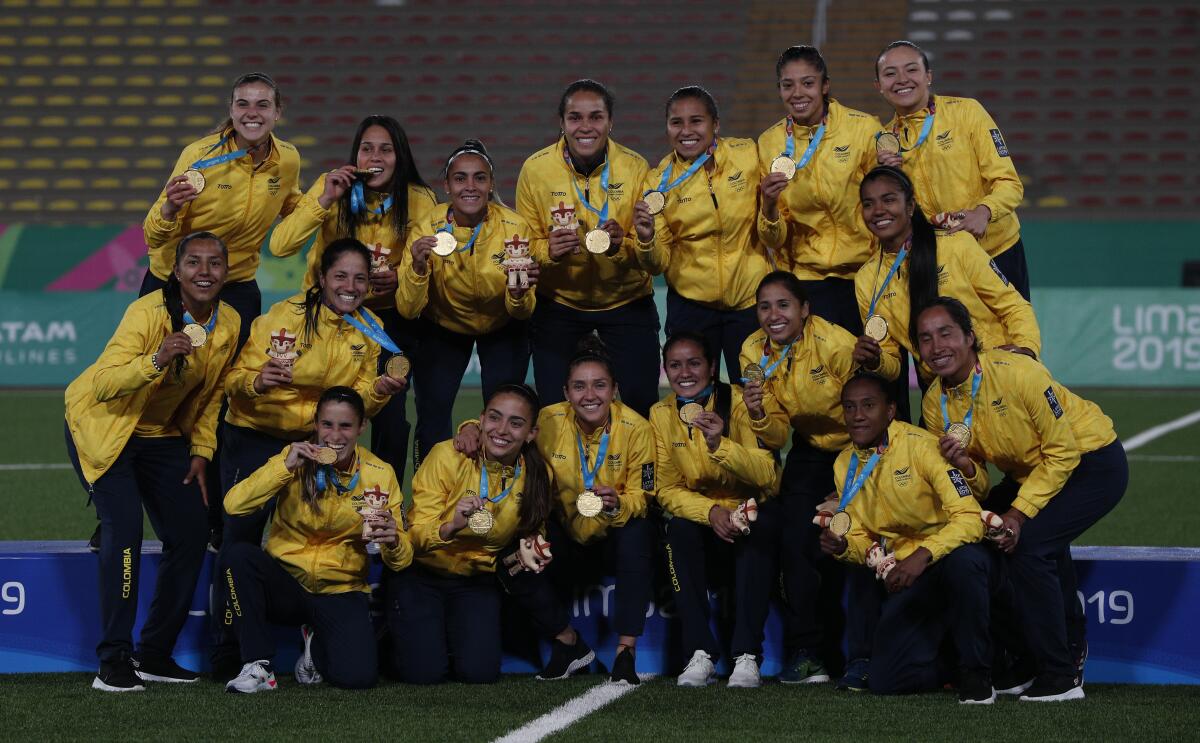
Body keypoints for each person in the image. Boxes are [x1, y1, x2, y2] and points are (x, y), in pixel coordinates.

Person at [916, 297, 1128, 702]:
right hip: (1032, 474)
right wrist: (966, 464)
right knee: (982, 535)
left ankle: (1060, 672)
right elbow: (975, 488)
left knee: (1031, 546)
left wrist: (1017, 513)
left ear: (970, 337)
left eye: (946, 334)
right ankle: (1027, 659)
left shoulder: (1019, 374)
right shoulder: (934, 404)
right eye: (925, 339)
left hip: (1090, 461)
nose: (936, 346)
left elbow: (1063, 453)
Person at [64, 232, 241, 691]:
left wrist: (202, 453)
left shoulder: (231, 322)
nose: (205, 272)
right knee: (123, 532)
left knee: (191, 533)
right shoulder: (148, 313)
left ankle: (155, 654)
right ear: (176, 272)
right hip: (107, 429)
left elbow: (213, 396)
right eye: (194, 263)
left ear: (228, 270)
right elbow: (102, 384)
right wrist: (156, 360)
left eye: (215, 263)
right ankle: (114, 661)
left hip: (162, 438)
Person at [454, 338, 657, 684]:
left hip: (613, 534)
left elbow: (646, 495)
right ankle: (567, 643)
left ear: (615, 389)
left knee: (639, 530)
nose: (589, 395)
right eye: (579, 386)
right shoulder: (548, 420)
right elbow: (503, 425)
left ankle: (626, 651)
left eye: (599, 385)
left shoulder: (637, 429)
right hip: (563, 534)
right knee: (512, 556)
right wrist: (468, 427)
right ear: (566, 391)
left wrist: (618, 503)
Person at [268, 115, 436, 482]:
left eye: (386, 149)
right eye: (367, 148)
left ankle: (383, 501)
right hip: (326, 317)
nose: (375, 156)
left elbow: (420, 272)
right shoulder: (331, 187)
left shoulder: (420, 200)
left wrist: (401, 276)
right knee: (317, 408)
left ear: (400, 155)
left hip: (388, 322)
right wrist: (327, 198)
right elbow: (280, 246)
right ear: (356, 155)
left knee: (391, 416)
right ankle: (307, 493)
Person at [819, 373, 1002, 703]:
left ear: (890, 411)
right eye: (850, 407)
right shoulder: (844, 464)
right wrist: (846, 547)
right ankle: (951, 665)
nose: (858, 415)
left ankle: (977, 673)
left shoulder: (923, 448)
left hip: (949, 558)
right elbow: (863, 534)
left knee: (966, 563)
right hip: (906, 572)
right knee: (886, 680)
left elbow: (970, 518)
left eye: (868, 406)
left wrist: (924, 555)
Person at [740, 271, 884, 689]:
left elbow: (868, 410)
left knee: (857, 539)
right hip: (807, 449)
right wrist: (759, 413)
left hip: (858, 447)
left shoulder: (837, 345)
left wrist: (849, 481)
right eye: (764, 306)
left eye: (783, 305)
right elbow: (778, 435)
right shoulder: (752, 349)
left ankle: (863, 656)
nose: (773, 315)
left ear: (805, 309)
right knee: (795, 540)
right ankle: (808, 652)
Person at [220, 387, 411, 693]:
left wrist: (392, 543)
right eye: (327, 425)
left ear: (362, 427)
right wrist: (284, 468)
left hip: (340, 590)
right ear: (316, 423)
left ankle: (314, 644)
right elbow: (234, 505)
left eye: (346, 426)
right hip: (287, 583)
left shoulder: (381, 474)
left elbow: (402, 559)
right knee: (237, 556)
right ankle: (258, 664)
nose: (334, 436)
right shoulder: (294, 457)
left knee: (357, 679)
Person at [221, 238, 406, 546]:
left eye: (360, 278)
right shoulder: (285, 317)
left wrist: (378, 390)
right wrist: (257, 383)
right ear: (322, 279)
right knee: (240, 538)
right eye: (341, 276)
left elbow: (356, 404)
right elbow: (233, 382)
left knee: (299, 539)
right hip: (255, 435)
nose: (351, 286)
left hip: (312, 445)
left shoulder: (372, 328)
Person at [389, 384, 568, 684]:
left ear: (531, 434)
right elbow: (416, 535)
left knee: (479, 674)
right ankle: (396, 632)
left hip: (476, 583)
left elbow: (534, 530)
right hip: (423, 575)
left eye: (516, 423)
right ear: (481, 420)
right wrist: (451, 526)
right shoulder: (447, 455)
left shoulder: (537, 475)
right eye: (495, 418)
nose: (502, 430)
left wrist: (532, 549)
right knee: (424, 674)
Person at [516, 79, 660, 416]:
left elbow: (650, 251)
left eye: (595, 117)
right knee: (553, 410)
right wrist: (547, 251)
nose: (585, 127)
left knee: (642, 405)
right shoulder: (535, 170)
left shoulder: (636, 167)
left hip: (627, 301)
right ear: (561, 123)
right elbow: (522, 247)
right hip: (559, 304)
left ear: (610, 122)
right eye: (575, 117)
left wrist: (622, 245)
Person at [397, 140, 538, 466]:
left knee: (506, 416)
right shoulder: (426, 229)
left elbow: (525, 311)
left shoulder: (515, 228)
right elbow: (407, 309)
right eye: (460, 178)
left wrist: (517, 295)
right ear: (446, 185)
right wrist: (418, 267)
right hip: (442, 327)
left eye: (479, 178)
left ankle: (501, 496)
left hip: (503, 327)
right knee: (432, 417)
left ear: (491, 185)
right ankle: (427, 503)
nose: (470, 186)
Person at [651, 332, 780, 688]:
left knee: (762, 526)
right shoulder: (660, 414)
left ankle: (747, 655)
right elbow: (666, 488)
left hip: (748, 512)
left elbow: (768, 475)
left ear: (711, 367)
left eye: (694, 363)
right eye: (675, 365)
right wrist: (710, 512)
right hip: (705, 518)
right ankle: (699, 653)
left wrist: (720, 445)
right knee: (678, 528)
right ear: (665, 370)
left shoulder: (739, 403)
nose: (685, 372)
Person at [141, 72, 301, 346]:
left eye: (262, 104)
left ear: (277, 113)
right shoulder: (199, 156)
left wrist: (327, 202)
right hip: (176, 278)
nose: (253, 113)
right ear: (231, 110)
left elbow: (292, 206)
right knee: (161, 370)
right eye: (243, 104)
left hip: (236, 281)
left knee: (236, 373)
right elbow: (152, 236)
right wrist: (169, 209)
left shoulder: (288, 158)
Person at [874, 41, 1031, 300]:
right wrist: (888, 179)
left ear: (928, 77)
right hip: (940, 264)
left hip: (996, 251)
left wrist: (985, 211)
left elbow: (1010, 183)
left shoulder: (967, 112)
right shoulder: (883, 143)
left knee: (1011, 338)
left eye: (911, 70)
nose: (902, 80)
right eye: (890, 74)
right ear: (879, 86)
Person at [634, 85, 772, 379]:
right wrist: (646, 239)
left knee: (753, 393)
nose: (686, 130)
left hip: (749, 303)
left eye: (696, 121)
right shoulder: (657, 183)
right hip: (691, 307)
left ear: (716, 124)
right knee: (695, 399)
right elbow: (656, 263)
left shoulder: (748, 155)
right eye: (676, 122)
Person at [854, 166, 1040, 384]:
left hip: (998, 373)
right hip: (941, 392)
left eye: (888, 200)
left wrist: (1027, 349)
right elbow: (893, 364)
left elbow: (1013, 305)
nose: (878, 210)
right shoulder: (867, 280)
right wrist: (876, 360)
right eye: (868, 204)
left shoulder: (955, 246)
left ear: (910, 206)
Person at [756, 45, 883, 334]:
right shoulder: (768, 143)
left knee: (876, 372)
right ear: (779, 89)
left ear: (825, 86)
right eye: (788, 85)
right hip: (807, 280)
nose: (797, 93)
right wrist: (769, 205)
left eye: (808, 83)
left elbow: (887, 204)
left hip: (867, 274)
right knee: (821, 377)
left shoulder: (863, 129)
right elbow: (772, 239)